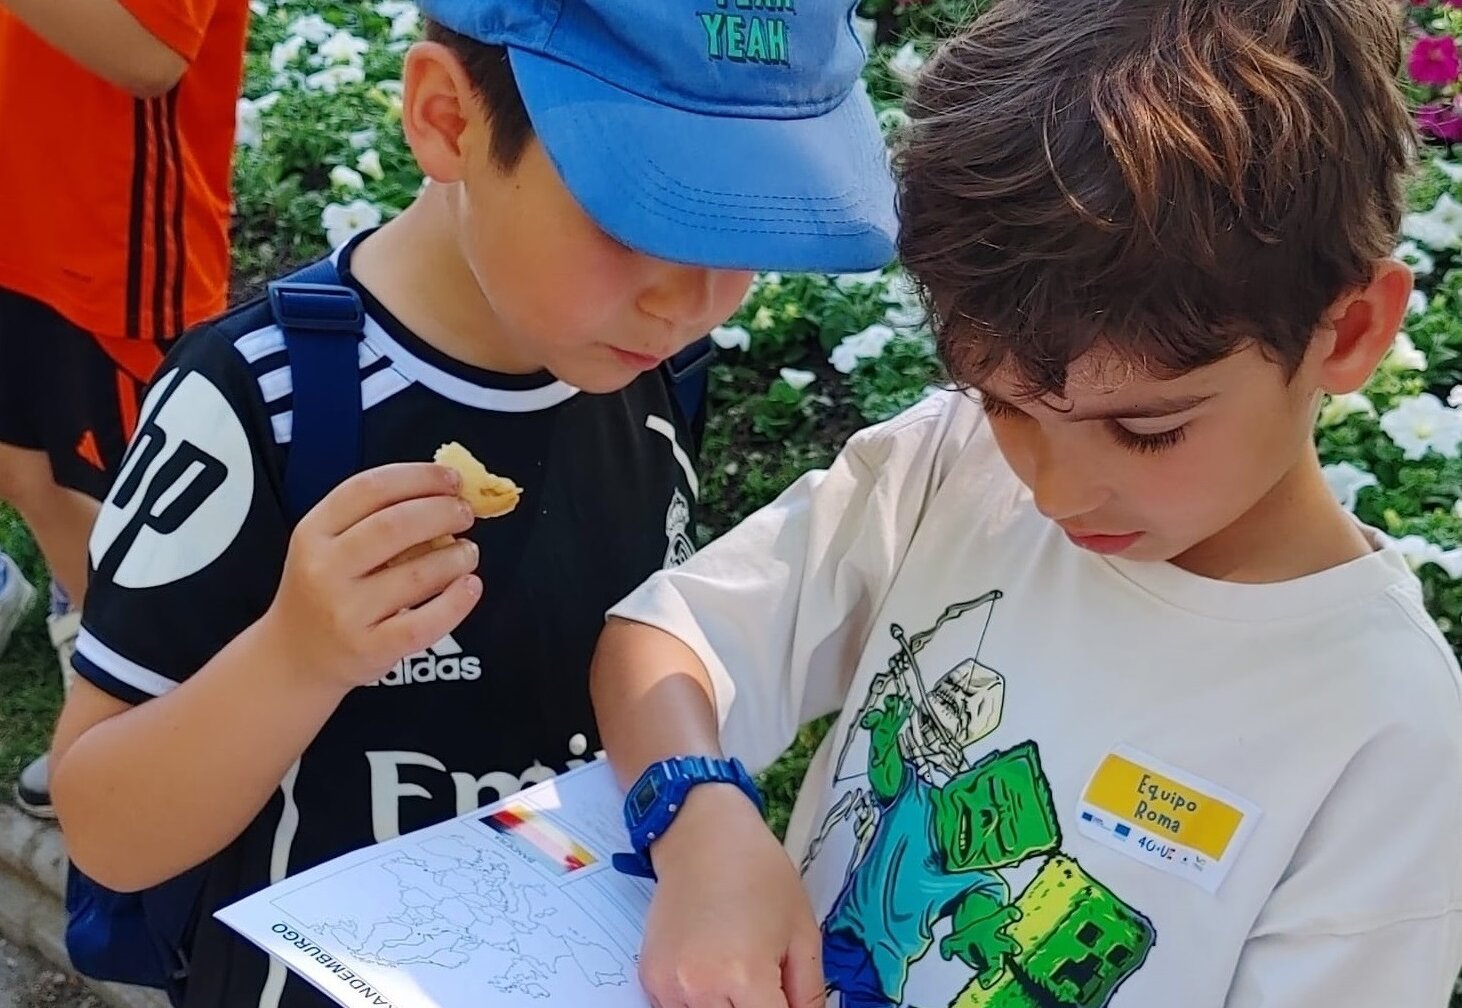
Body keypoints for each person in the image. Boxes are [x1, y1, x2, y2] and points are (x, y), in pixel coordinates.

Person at [590, 1, 1462, 1005]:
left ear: (1347, 333)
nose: (1054, 488)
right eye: (1003, 402)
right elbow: (664, 642)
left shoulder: (1386, 736)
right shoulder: (950, 467)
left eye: (1146, 429)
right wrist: (699, 820)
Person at [47, 1, 898, 1006]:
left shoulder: (652, 379)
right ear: (447, 119)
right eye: (632, 217)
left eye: (743, 229)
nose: (688, 301)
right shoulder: (258, 401)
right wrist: (295, 657)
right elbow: (106, 828)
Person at [0, 0, 250, 818]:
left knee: (136, 523)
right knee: (26, 474)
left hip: (113, 248)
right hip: (23, 203)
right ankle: (123, 702)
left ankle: (171, 739)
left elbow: (149, 54)